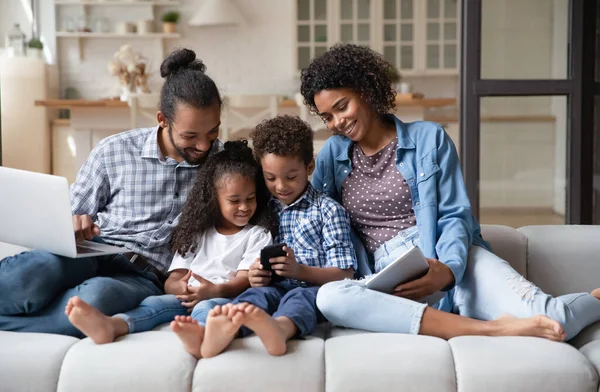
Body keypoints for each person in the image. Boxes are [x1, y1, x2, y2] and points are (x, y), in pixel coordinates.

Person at [300, 43, 600, 342]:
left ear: (365, 91)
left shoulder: (429, 138)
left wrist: (447, 271)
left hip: (447, 260)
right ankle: (494, 329)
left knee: (556, 323)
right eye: (327, 117)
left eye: (342, 106)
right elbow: (314, 218)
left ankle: (596, 300)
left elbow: (455, 214)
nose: (337, 122)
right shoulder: (332, 156)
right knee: (330, 297)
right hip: (386, 279)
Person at [0, 48, 223, 336]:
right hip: (95, 249)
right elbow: (69, 213)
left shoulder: (224, 165)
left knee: (94, 299)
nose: (204, 146)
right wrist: (72, 222)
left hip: (145, 275)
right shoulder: (115, 150)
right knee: (34, 275)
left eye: (213, 133)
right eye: (190, 136)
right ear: (163, 120)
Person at [171, 115, 358, 358]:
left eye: (291, 176)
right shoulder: (261, 207)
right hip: (272, 286)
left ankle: (281, 330)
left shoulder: (329, 211)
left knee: (300, 299)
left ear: (309, 167)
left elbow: (345, 273)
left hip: (311, 286)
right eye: (270, 178)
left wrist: (300, 271)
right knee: (253, 297)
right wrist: (256, 275)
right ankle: (215, 334)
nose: (280, 186)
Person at [64, 140, 276, 345]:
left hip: (222, 298)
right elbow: (172, 279)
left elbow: (245, 280)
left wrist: (214, 291)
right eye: (234, 200)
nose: (244, 207)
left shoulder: (257, 235)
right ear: (214, 198)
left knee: (207, 309)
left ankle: (202, 337)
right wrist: (180, 288)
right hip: (188, 296)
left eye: (250, 198)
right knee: (152, 304)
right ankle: (113, 325)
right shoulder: (197, 233)